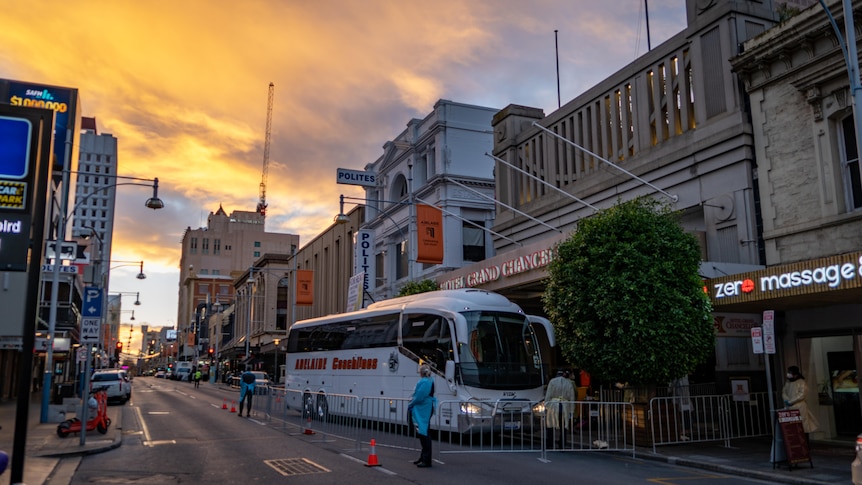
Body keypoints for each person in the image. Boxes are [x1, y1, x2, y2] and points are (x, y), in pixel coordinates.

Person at [407, 364, 437, 467]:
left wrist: (411, 404)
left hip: (423, 408)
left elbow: (419, 396)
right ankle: (423, 457)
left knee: (423, 433)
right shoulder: (430, 380)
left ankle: (426, 460)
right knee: (424, 432)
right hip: (426, 407)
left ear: (421, 372)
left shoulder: (424, 382)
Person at [782, 365, 819, 438]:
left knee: (802, 425)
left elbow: (802, 394)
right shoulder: (788, 382)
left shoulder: (802, 382)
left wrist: (791, 401)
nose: (788, 374)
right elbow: (784, 392)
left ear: (795, 374)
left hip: (800, 406)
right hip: (790, 406)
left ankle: (804, 443)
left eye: (790, 372)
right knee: (792, 426)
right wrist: (786, 400)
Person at [545, 369, 575, 448]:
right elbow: (572, 397)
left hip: (553, 406)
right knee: (564, 426)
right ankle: (562, 444)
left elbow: (548, 395)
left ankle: (550, 444)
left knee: (551, 425)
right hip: (565, 406)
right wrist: (572, 411)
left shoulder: (552, 382)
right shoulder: (569, 383)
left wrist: (546, 406)